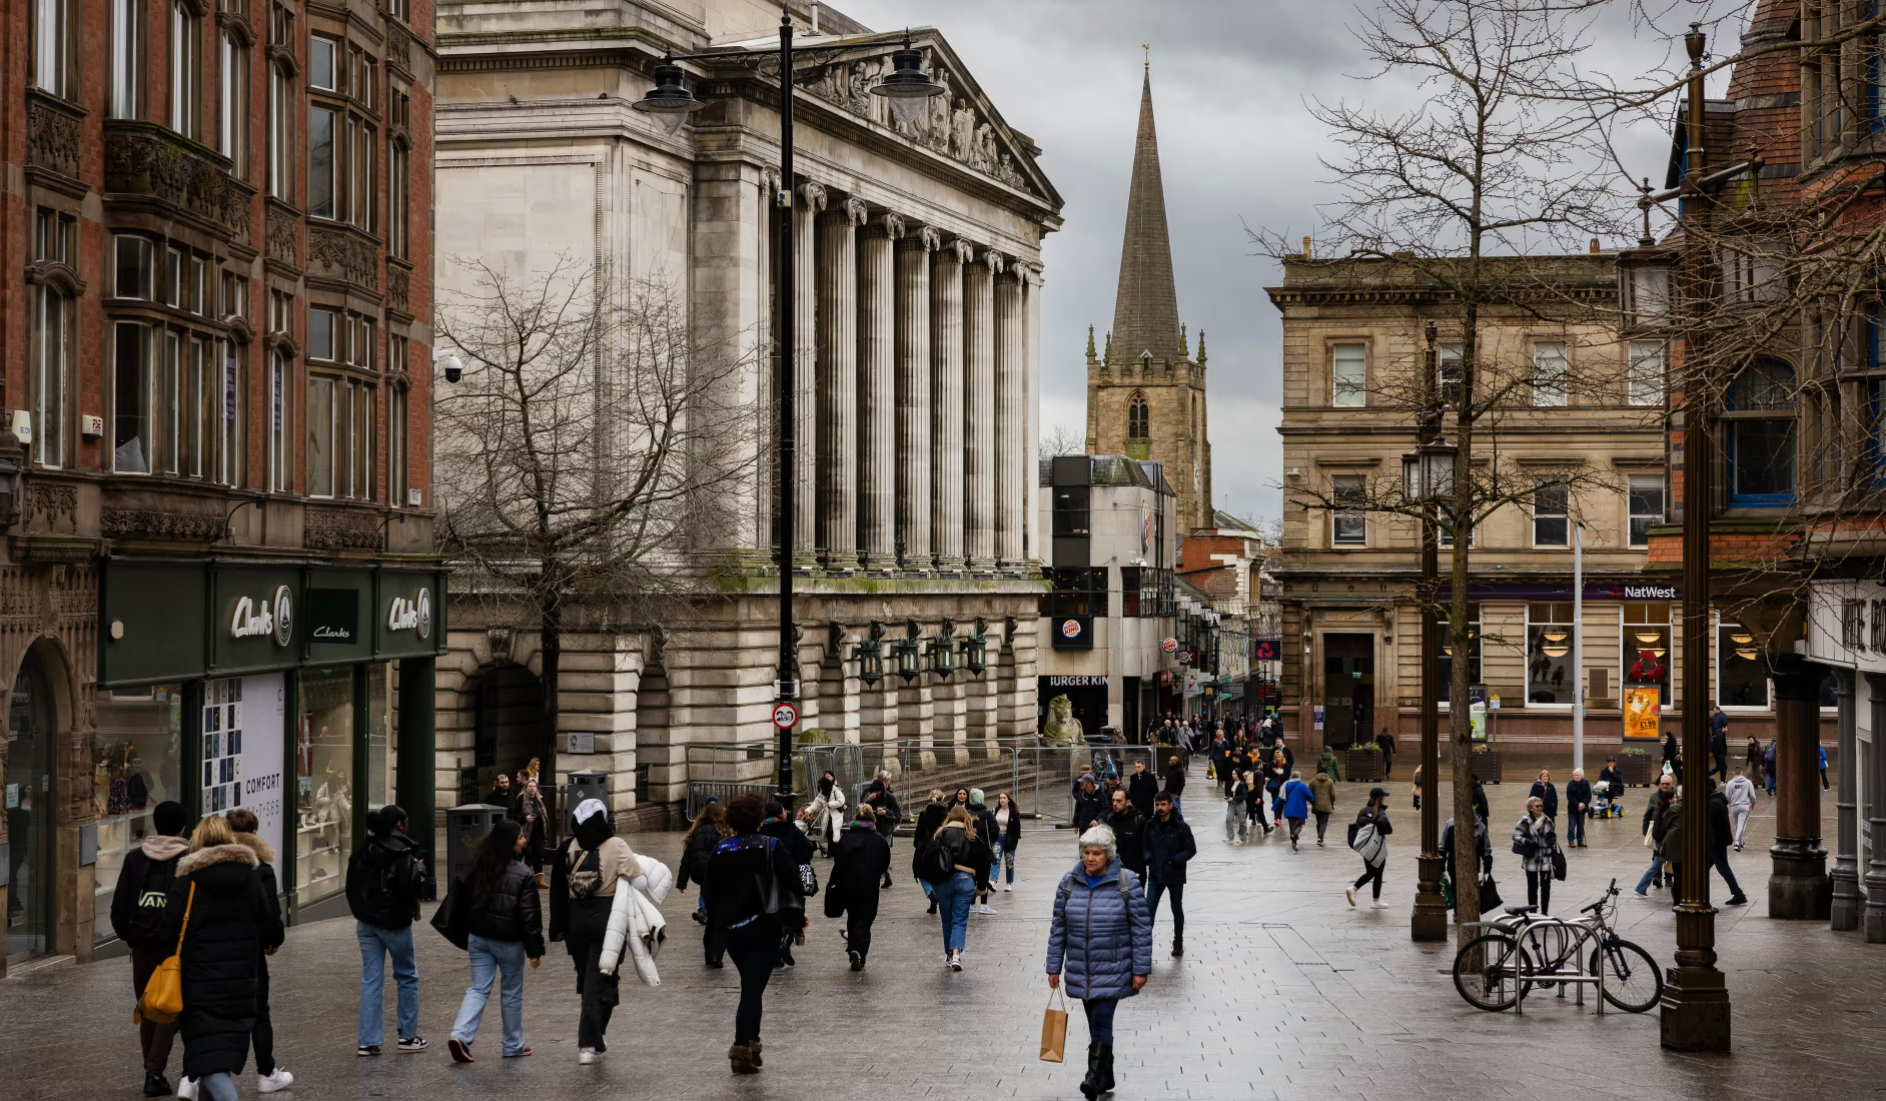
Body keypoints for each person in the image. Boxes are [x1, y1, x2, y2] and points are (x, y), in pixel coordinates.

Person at [161, 815, 280, 1101]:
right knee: (213, 1059)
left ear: (197, 842)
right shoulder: (250, 880)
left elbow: (166, 934)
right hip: (242, 985)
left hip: (198, 986)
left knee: (210, 1063)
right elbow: (271, 930)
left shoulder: (186, 884)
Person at [1047, 825, 1153, 1101]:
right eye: (1086, 852)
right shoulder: (1069, 883)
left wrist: (1141, 969)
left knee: (1103, 1019)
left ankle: (1093, 1078)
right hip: (1081, 968)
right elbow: (1058, 927)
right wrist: (1053, 966)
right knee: (1096, 1023)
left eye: (1096, 853)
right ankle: (1107, 1074)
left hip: (1114, 967)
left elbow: (1141, 929)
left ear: (1108, 854)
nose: (1090, 858)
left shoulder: (1127, 882)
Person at [703, 793, 803, 1074]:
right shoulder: (771, 845)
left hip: (733, 929)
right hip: (765, 925)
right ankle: (741, 1049)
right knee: (751, 989)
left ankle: (751, 1043)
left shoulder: (722, 849)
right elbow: (794, 881)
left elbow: (709, 891)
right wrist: (794, 915)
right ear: (759, 818)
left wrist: (721, 920)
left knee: (751, 986)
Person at [548, 798, 646, 1064]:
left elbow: (557, 892)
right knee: (598, 979)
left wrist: (556, 928)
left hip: (575, 920)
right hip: (608, 919)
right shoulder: (616, 845)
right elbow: (640, 882)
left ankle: (597, 1034)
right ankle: (587, 1043)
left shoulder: (567, 847)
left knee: (591, 977)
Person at [111, 800, 191, 1098]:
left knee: (149, 1008)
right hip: (177, 949)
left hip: (143, 947)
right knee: (170, 1009)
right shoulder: (190, 859)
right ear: (183, 826)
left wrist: (134, 937)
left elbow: (119, 908)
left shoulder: (135, 858)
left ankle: (152, 1071)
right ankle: (155, 1072)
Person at [448, 817, 544, 1063]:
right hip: (508, 941)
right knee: (511, 992)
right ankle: (513, 1045)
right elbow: (529, 916)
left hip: (478, 937)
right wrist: (535, 950)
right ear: (512, 843)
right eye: (521, 837)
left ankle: (460, 1035)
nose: (524, 841)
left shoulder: (478, 864)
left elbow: (462, 899)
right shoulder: (523, 873)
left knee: (478, 988)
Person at [346, 804, 428, 1057]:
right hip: (394, 922)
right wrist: (420, 868)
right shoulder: (402, 853)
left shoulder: (363, 849)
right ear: (400, 824)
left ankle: (368, 1041)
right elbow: (413, 885)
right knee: (406, 975)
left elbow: (351, 885)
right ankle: (408, 1036)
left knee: (371, 978)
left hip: (367, 922)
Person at [224, 808, 290, 1094]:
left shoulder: (208, 864)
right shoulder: (261, 868)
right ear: (254, 833)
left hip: (214, 952)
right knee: (259, 1012)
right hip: (250, 952)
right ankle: (266, 1072)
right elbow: (270, 912)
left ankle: (199, 1073)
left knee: (213, 1012)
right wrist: (271, 942)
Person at [926, 806, 993, 971]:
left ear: (949, 817)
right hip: (965, 880)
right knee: (960, 920)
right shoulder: (973, 837)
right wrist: (981, 887)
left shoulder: (939, 835)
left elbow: (927, 858)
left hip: (943, 881)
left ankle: (948, 954)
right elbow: (984, 863)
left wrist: (932, 882)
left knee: (946, 921)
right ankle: (956, 955)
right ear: (966, 818)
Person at [826, 805, 891, 971]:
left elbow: (838, 861)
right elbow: (885, 862)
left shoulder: (847, 838)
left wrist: (836, 880)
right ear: (872, 820)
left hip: (848, 884)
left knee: (853, 916)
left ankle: (853, 948)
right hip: (869, 884)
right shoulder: (879, 839)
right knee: (866, 919)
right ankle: (860, 951)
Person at [758, 802, 813, 965]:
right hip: (789, 876)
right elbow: (807, 851)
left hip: (766, 879)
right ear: (779, 815)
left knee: (771, 913)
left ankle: (775, 949)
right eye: (784, 811)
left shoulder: (760, 830)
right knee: (794, 910)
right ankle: (785, 943)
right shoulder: (790, 830)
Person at [1142, 791, 1196, 957]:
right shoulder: (1150, 825)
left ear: (1171, 805)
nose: (1160, 808)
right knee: (1148, 909)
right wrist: (1149, 860)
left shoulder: (1181, 827)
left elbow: (1191, 849)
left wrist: (1176, 860)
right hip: (1156, 874)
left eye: (1163, 804)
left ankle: (1178, 942)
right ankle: (1144, 944)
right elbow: (1144, 847)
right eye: (1157, 805)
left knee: (1176, 908)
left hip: (1175, 875)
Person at [678, 801, 732, 964]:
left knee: (714, 918)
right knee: (720, 919)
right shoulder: (723, 833)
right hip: (720, 880)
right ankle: (715, 954)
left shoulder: (698, 832)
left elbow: (687, 858)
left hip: (707, 881)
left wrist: (682, 882)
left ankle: (711, 953)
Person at [1346, 788, 1392, 909]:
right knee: (1377, 873)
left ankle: (1372, 899)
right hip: (1376, 846)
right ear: (1380, 798)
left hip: (1365, 846)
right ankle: (1357, 890)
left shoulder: (1363, 810)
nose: (1384, 798)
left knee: (1372, 872)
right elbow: (1386, 826)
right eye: (1383, 796)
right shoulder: (1379, 811)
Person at [1440, 813, 1493, 914]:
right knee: (1455, 885)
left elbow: (1486, 849)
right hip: (1453, 861)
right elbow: (1443, 845)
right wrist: (1442, 862)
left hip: (1473, 863)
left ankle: (1470, 909)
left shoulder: (1480, 827)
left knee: (1471, 886)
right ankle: (1457, 911)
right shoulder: (1450, 823)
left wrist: (1487, 867)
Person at [1706, 779, 1749, 905]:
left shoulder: (1713, 803)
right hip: (1716, 841)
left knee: (1723, 867)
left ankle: (1738, 893)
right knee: (1703, 867)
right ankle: (1689, 891)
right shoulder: (1717, 801)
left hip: (1716, 842)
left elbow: (1707, 823)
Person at [1512, 797, 1557, 914]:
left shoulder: (1548, 820)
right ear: (1531, 808)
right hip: (1531, 859)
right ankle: (1533, 912)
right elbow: (1516, 836)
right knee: (1532, 887)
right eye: (1537, 806)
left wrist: (1552, 838)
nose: (1540, 808)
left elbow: (1552, 839)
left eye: (1541, 806)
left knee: (1546, 887)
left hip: (1545, 858)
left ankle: (1545, 912)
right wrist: (1527, 841)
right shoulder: (1525, 821)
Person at [1635, 775, 1677, 896]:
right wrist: (1645, 830)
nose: (1664, 786)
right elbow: (1648, 815)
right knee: (1657, 862)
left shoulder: (1674, 797)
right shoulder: (1656, 799)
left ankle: (1668, 878)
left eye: (1667, 784)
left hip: (1666, 837)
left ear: (1671, 784)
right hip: (1662, 837)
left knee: (1668, 861)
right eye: (1662, 783)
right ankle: (1650, 882)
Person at [861, 770, 902, 888]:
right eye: (874, 792)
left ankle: (881, 875)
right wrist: (868, 800)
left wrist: (886, 813)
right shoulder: (868, 796)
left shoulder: (890, 797)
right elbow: (860, 810)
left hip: (886, 829)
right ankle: (885, 875)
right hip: (873, 829)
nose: (876, 794)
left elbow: (898, 814)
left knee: (882, 853)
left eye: (878, 792)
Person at [913, 789, 949, 915]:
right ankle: (937, 896)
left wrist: (917, 844)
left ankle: (931, 893)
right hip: (941, 844)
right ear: (942, 798)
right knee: (937, 871)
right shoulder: (946, 813)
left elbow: (919, 832)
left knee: (921, 872)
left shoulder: (924, 813)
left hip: (925, 846)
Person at [966, 789, 1000, 915]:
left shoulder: (966, 813)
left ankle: (972, 904)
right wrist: (989, 842)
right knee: (983, 876)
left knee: (971, 877)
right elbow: (995, 829)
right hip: (983, 851)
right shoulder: (986, 813)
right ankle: (984, 905)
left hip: (968, 851)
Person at [509, 779, 549, 883]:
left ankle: (539, 880)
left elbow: (543, 817)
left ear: (537, 789)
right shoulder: (521, 799)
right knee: (524, 854)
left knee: (538, 855)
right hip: (525, 831)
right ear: (526, 788)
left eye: (534, 786)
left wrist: (545, 834)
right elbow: (516, 815)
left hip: (537, 831)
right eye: (530, 786)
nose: (532, 788)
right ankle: (521, 877)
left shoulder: (539, 801)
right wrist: (525, 818)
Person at [1105, 787, 1148, 877]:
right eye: (1113, 800)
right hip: (1114, 872)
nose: (1115, 804)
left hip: (1135, 873)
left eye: (1119, 801)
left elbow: (1148, 845)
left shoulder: (1139, 821)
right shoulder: (1109, 819)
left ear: (1128, 802)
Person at [806, 771, 847, 853]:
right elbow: (816, 803)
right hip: (827, 814)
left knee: (834, 831)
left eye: (828, 777)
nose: (827, 779)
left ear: (833, 777)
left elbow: (841, 801)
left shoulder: (836, 790)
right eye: (825, 777)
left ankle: (836, 849)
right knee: (827, 831)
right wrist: (808, 810)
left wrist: (830, 804)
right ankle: (831, 850)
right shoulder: (823, 791)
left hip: (835, 814)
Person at [992, 791, 1022, 891]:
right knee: (995, 859)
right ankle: (993, 881)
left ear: (1008, 800)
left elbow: (1017, 829)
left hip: (1009, 839)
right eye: (1000, 798)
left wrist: (1013, 840)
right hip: (997, 839)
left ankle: (1009, 883)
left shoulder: (1013, 812)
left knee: (1009, 861)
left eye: (1004, 798)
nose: (1002, 800)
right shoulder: (996, 810)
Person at [1277, 770, 1314, 851]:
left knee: (1291, 825)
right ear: (1299, 777)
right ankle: (1295, 835)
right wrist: (1314, 802)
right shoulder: (1302, 786)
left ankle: (1293, 841)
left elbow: (1281, 797)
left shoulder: (1285, 785)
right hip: (1300, 808)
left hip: (1289, 809)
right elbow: (1310, 796)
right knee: (1299, 823)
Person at [1725, 767, 1758, 852]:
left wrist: (1729, 803)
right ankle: (1736, 842)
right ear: (1742, 772)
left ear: (1734, 772)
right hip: (1744, 806)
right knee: (1741, 825)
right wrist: (1753, 803)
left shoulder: (1730, 783)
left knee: (1737, 824)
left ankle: (1741, 842)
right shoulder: (1748, 783)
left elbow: (1727, 797)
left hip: (1734, 806)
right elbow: (1752, 795)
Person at [1308, 767, 1337, 846]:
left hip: (1316, 805)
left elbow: (1308, 793)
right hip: (1326, 805)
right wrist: (1331, 803)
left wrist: (1313, 802)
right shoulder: (1330, 781)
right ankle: (1320, 838)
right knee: (1324, 822)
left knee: (1318, 822)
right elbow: (1333, 795)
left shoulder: (1313, 781)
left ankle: (1319, 837)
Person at [1563, 769, 1591, 848]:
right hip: (1572, 808)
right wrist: (1577, 804)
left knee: (1581, 825)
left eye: (1577, 775)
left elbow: (1588, 796)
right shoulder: (1571, 784)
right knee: (1572, 825)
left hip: (1582, 809)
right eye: (1575, 775)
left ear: (1581, 775)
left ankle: (1580, 841)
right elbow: (1570, 796)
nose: (1576, 777)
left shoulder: (1586, 783)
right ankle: (1571, 841)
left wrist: (1583, 803)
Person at [1222, 770, 1250, 845]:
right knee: (1228, 819)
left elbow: (1243, 795)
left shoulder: (1242, 784)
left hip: (1240, 804)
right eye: (1232, 774)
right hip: (1232, 803)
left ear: (1238, 775)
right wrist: (1228, 797)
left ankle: (1243, 838)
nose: (1233, 775)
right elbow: (1230, 792)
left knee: (1242, 821)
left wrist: (1234, 799)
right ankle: (1230, 837)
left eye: (1234, 774)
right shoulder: (1232, 782)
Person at [1709, 706, 1730, 782]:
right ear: (1723, 728)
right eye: (1726, 728)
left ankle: (1722, 781)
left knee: (1723, 766)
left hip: (1719, 753)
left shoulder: (1720, 734)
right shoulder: (1720, 735)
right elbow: (1718, 745)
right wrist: (1720, 753)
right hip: (1719, 753)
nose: (1727, 729)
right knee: (1720, 766)